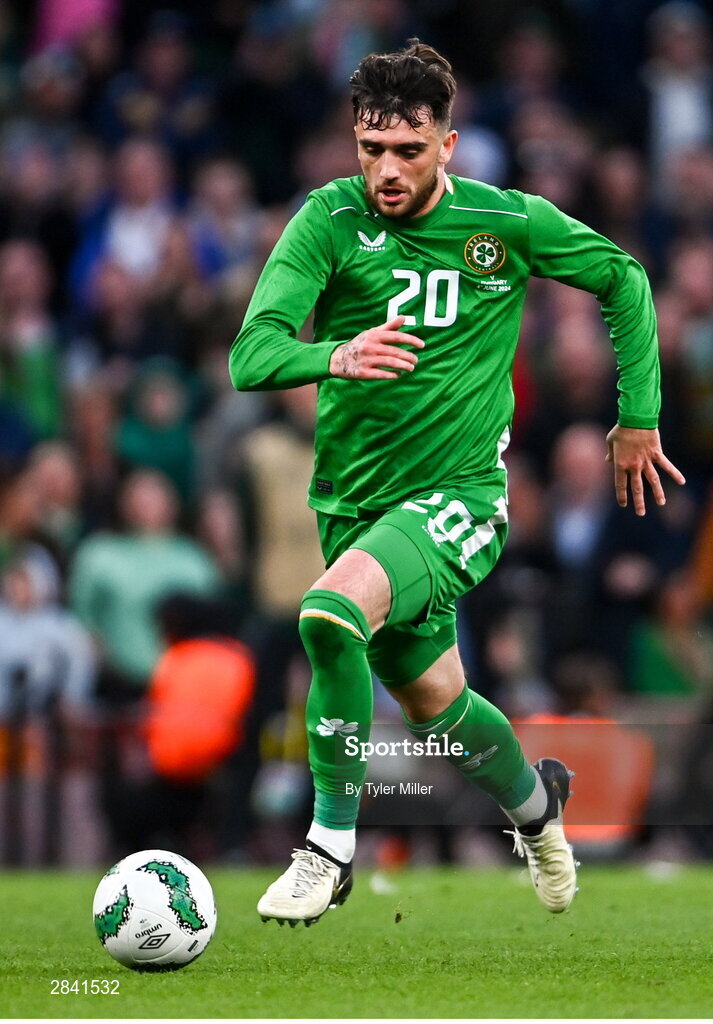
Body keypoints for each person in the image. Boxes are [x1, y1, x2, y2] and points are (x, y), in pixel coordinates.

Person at [229, 40, 685, 926]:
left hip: (459, 501)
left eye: (407, 148)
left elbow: (621, 278)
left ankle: (327, 847)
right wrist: (336, 353)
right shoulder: (326, 221)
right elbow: (252, 353)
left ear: (448, 143)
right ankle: (537, 809)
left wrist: (637, 417)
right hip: (353, 505)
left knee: (326, 617)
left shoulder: (502, 222)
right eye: (370, 149)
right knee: (438, 704)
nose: (385, 169)